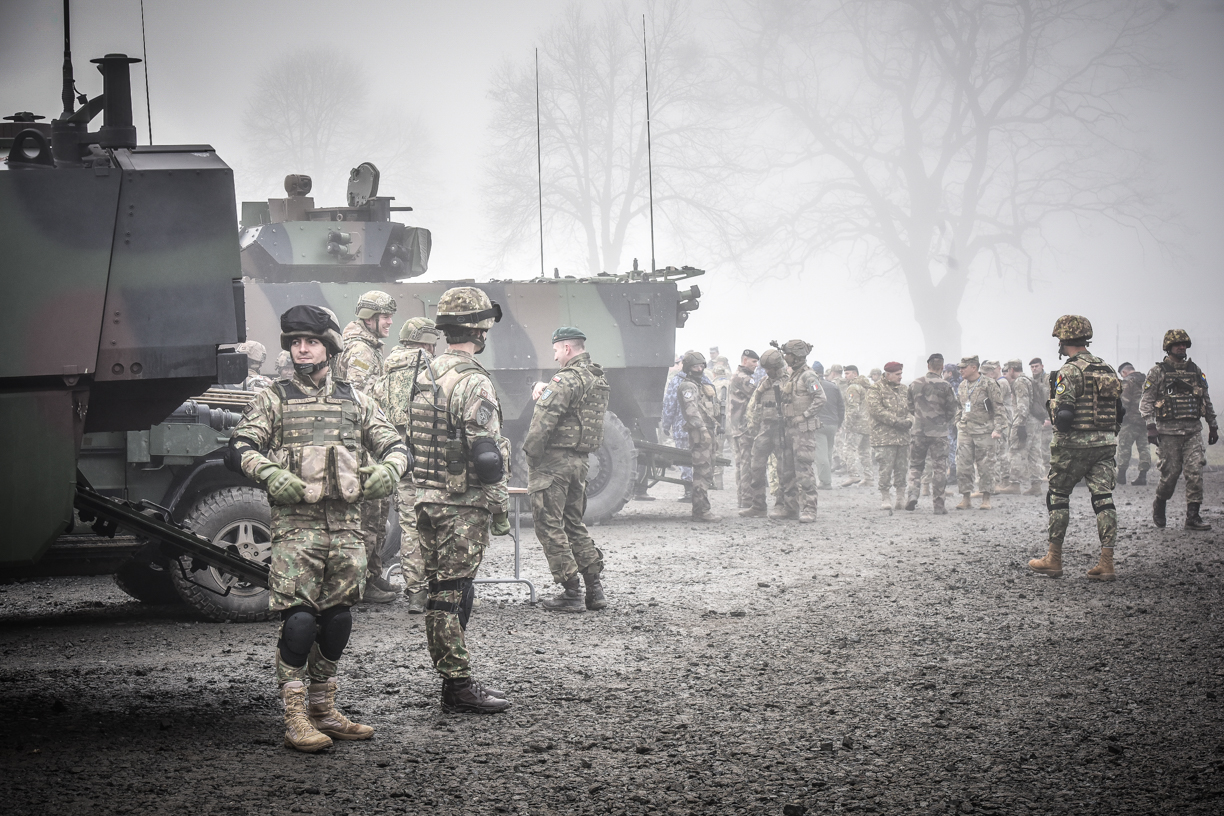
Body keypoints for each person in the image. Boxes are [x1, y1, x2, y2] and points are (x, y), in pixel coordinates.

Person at [225, 305, 409, 752]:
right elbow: (240, 446)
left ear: (328, 345)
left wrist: (390, 469)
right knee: (300, 621)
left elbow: (396, 444)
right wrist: (268, 473)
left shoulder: (356, 399)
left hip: (347, 526)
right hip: (297, 527)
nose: (301, 349)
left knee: (339, 619)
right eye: (294, 342)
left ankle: (325, 709)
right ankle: (295, 716)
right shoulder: (275, 398)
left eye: (309, 342)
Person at [405, 286, 513, 713]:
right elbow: (486, 455)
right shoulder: (473, 380)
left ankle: (451, 675)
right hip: (461, 504)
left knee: (439, 589)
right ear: (480, 330)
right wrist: (499, 503)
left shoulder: (425, 373)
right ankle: (457, 684)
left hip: (426, 498)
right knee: (453, 591)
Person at [1029, 315, 1122, 581]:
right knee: (1103, 499)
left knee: (1058, 496)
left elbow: (1066, 416)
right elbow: (1120, 411)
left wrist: (1058, 424)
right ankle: (1107, 563)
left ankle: (1053, 559)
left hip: (1073, 446)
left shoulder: (1068, 371)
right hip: (1105, 443)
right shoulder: (1106, 368)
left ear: (1063, 339)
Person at [524, 327, 611, 611]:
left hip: (554, 464)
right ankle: (594, 591)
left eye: (556, 351)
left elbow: (542, 422)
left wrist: (531, 458)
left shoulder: (566, 379)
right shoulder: (597, 378)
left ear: (567, 349)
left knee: (549, 524)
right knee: (574, 523)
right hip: (580, 462)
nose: (555, 356)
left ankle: (570, 592)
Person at [369, 316, 441, 614]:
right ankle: (440, 588)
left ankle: (415, 594)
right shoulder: (432, 367)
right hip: (430, 453)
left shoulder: (387, 367)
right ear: (426, 341)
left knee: (410, 524)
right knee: (438, 520)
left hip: (398, 454)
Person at [335, 290, 400, 604]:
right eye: (384, 316)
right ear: (368, 318)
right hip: (363, 444)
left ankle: (372, 575)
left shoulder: (367, 345)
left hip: (366, 442)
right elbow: (361, 400)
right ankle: (359, 584)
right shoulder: (361, 348)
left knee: (375, 513)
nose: (389, 322)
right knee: (368, 517)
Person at [1140, 329, 1218, 531]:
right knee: (1170, 475)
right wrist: (1150, 426)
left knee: (1195, 472)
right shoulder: (1158, 372)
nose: (1181, 347)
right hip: (1168, 433)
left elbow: (1205, 399)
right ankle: (1160, 502)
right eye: (1177, 345)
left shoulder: (1195, 370)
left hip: (1192, 431)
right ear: (1168, 348)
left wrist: (1213, 425)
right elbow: (1146, 402)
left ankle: (1193, 517)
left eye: (1184, 344)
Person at [740, 348, 794, 518]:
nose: (767, 371)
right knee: (755, 465)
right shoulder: (765, 381)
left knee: (783, 469)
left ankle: (782, 505)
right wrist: (753, 427)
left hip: (781, 429)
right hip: (765, 428)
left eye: (770, 368)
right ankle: (758, 505)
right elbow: (755, 404)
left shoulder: (789, 383)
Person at [779, 340, 826, 522]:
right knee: (788, 470)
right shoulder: (793, 376)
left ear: (796, 356)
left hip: (803, 431)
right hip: (790, 429)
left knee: (803, 469)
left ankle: (809, 509)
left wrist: (804, 415)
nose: (785, 357)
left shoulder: (808, 376)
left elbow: (820, 398)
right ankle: (791, 508)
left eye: (788, 354)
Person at [905, 354, 958, 514]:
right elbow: (952, 409)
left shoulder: (914, 384)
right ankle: (939, 505)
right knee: (940, 467)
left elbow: (910, 407)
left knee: (915, 465)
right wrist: (942, 421)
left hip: (919, 431)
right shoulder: (945, 386)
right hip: (939, 432)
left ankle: (913, 495)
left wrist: (921, 418)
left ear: (928, 366)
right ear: (942, 367)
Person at [676, 351, 722, 522]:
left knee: (707, 472)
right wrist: (703, 432)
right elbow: (692, 412)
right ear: (689, 368)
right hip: (700, 434)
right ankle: (701, 511)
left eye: (702, 365)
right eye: (696, 366)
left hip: (708, 432)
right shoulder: (688, 386)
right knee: (701, 473)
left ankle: (702, 509)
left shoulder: (700, 385)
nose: (700, 368)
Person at [954, 356, 1004, 510]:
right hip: (965, 430)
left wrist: (998, 429)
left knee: (986, 466)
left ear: (973, 367)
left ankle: (986, 499)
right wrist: (957, 422)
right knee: (963, 466)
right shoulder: (962, 385)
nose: (961, 370)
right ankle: (966, 498)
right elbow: (959, 406)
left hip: (984, 431)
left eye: (964, 367)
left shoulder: (988, 384)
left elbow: (999, 407)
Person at [867, 361, 910, 510]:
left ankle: (900, 497)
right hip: (884, 437)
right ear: (888, 374)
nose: (900, 377)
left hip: (903, 436)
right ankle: (885, 496)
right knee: (885, 468)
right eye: (897, 374)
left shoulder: (904, 389)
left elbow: (912, 408)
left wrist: (910, 421)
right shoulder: (875, 389)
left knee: (902, 468)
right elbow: (875, 410)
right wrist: (896, 421)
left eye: (901, 374)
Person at [1003, 359, 1044, 496]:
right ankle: (1036, 485)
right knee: (1034, 453)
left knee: (1017, 451)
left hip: (1025, 421)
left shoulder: (1020, 382)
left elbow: (1023, 404)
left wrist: (1020, 424)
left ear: (1011, 370)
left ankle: (1014, 484)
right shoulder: (1029, 380)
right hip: (1035, 420)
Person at [727, 350, 760, 508]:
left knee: (741, 465)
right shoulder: (744, 378)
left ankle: (743, 499)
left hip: (736, 427)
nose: (756, 365)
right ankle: (747, 499)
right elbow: (758, 395)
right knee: (747, 465)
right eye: (753, 362)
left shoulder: (737, 375)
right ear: (745, 360)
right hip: (744, 427)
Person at [1114, 362, 1150, 486]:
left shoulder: (1127, 382)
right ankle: (1142, 476)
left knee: (1124, 447)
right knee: (1144, 448)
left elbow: (1124, 402)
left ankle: (1121, 476)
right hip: (1145, 420)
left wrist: (1118, 417)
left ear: (1123, 372)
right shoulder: (1146, 380)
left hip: (1129, 420)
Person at [982, 360, 1015, 494]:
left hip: (1002, 421)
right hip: (1002, 420)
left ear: (998, 369)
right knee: (1000, 451)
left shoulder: (1001, 383)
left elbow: (994, 400)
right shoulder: (1000, 382)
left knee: (1000, 451)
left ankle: (1002, 480)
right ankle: (1001, 480)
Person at [811, 361, 844, 490]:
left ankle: (825, 482)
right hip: (833, 424)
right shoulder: (833, 386)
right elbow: (841, 406)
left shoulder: (813, 386)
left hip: (819, 424)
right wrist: (839, 423)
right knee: (829, 452)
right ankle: (827, 478)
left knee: (821, 454)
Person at [840, 366, 874, 487]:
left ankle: (853, 475)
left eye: (848, 373)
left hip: (856, 425)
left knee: (849, 449)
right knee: (865, 452)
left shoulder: (853, 388)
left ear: (855, 374)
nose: (845, 376)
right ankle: (869, 477)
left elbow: (853, 408)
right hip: (867, 424)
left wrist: (847, 425)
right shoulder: (867, 387)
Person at [1030, 358, 1053, 474]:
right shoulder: (1032, 381)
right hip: (1038, 417)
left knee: (1046, 446)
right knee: (1039, 446)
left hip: (1047, 416)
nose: (1034, 369)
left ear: (1042, 366)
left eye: (1036, 366)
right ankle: (1044, 471)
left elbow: (1050, 399)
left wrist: (1049, 418)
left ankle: (1049, 471)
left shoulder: (1047, 379)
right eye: (1032, 367)